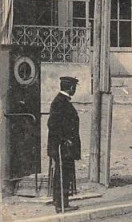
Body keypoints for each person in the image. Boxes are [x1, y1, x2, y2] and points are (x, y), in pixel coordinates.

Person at [48, 76, 81, 213]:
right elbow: (52, 124)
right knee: (63, 175)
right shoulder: (60, 102)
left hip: (65, 146)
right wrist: (64, 139)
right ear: (71, 88)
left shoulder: (61, 101)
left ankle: (60, 201)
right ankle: (62, 204)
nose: (75, 90)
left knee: (63, 174)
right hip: (63, 147)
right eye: (75, 87)